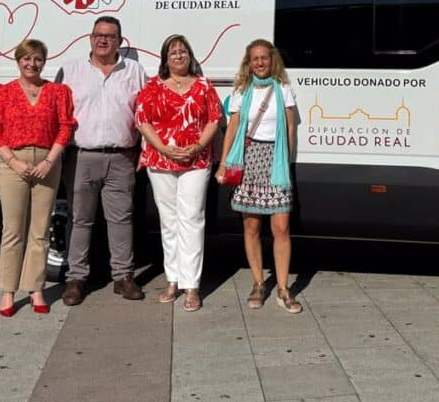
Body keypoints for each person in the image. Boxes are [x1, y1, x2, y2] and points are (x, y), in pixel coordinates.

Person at [57, 16, 149, 305]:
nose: (103, 40)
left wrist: (144, 149)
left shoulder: (134, 71)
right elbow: (58, 115)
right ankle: (75, 279)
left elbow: (145, 114)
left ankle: (122, 277)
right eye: (98, 34)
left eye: (110, 36)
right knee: (81, 219)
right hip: (81, 156)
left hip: (122, 157)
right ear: (90, 38)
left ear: (120, 41)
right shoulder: (70, 71)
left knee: (121, 219)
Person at [0, 39, 75, 317]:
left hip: (47, 163)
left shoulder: (57, 92)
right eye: (26, 59)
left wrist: (51, 160)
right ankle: (8, 291)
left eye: (37, 59)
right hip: (14, 163)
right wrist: (13, 161)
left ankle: (35, 288)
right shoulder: (3, 92)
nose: (31, 64)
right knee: (12, 231)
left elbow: (66, 127)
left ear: (44, 62)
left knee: (40, 230)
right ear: (18, 60)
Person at [135, 34, 222, 312]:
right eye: (173, 52)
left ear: (190, 55)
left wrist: (197, 145)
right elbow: (142, 120)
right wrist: (162, 147)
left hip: (195, 161)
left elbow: (214, 119)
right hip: (160, 160)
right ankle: (172, 279)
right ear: (165, 58)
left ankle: (191, 285)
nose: (179, 56)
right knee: (169, 220)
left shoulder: (204, 86)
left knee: (192, 219)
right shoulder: (152, 86)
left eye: (183, 51)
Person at [216, 39, 301, 314]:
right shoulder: (242, 90)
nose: (260, 63)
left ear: (272, 60)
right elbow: (233, 129)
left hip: (275, 162)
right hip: (249, 160)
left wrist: (286, 163)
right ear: (248, 62)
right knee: (251, 227)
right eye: (255, 58)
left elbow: (290, 128)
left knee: (281, 228)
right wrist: (224, 163)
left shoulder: (284, 89)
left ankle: (283, 287)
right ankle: (257, 283)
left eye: (265, 58)